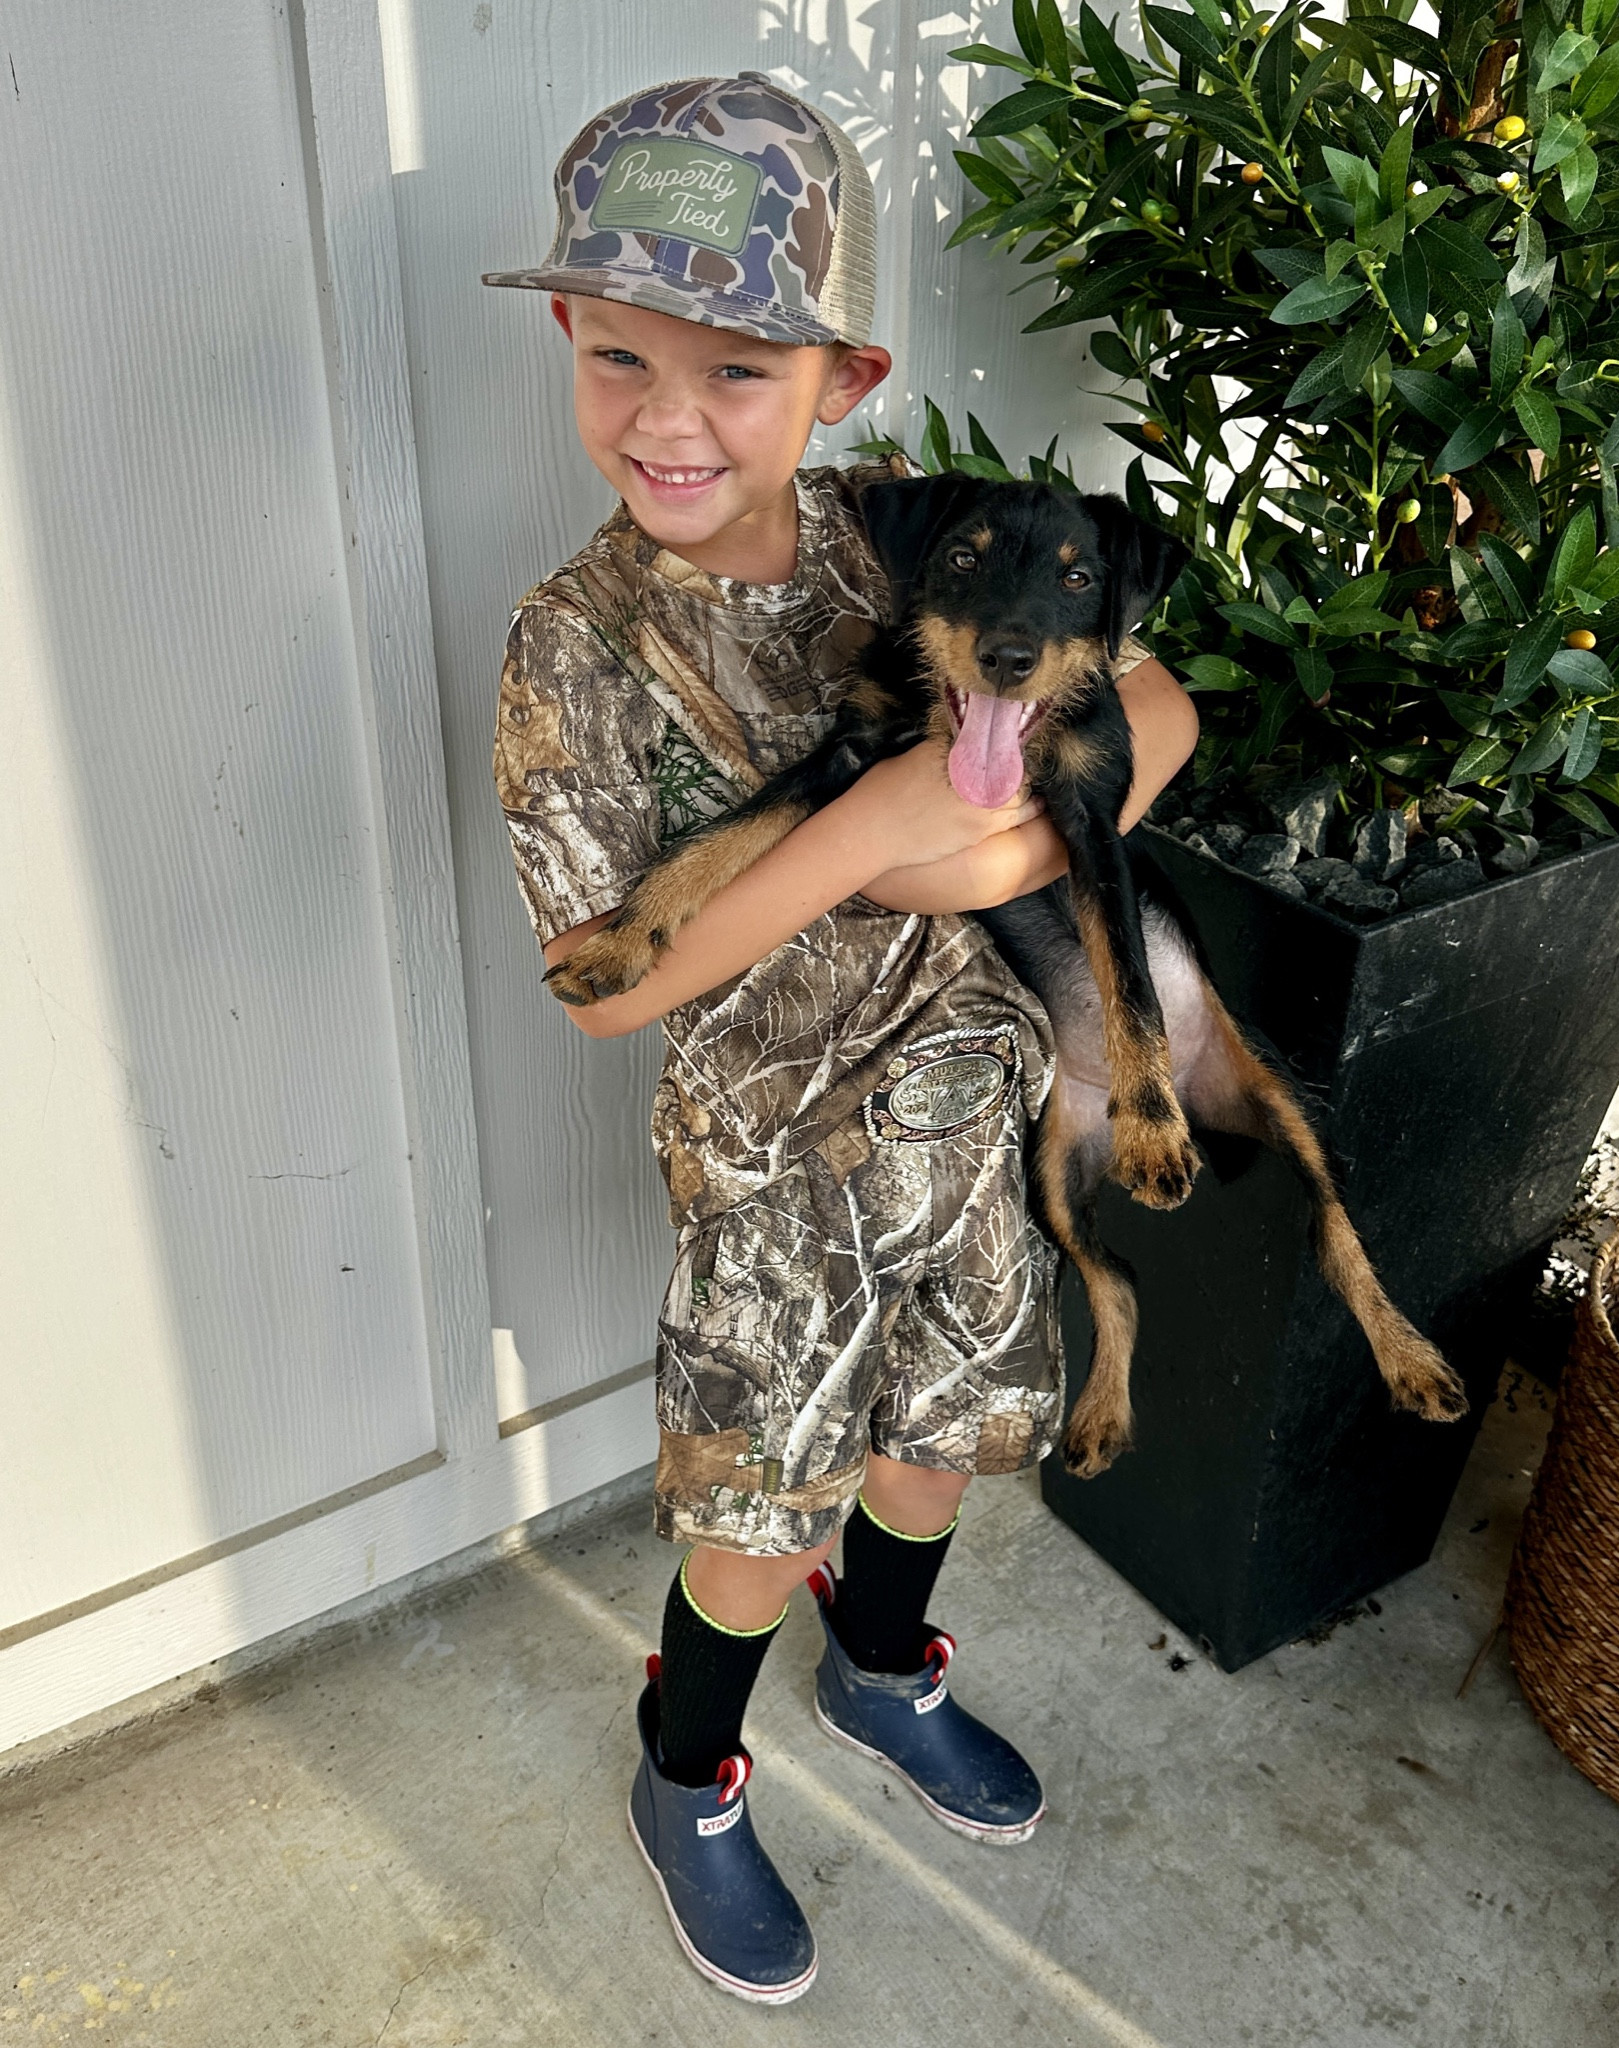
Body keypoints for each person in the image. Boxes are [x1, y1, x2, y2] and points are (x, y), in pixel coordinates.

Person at [484, 73, 1198, 2005]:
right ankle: (685, 1769)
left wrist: (1050, 825)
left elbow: (1153, 697)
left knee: (948, 1436)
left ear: (844, 378)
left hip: (974, 1113)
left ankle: (882, 1667)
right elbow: (600, 981)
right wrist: (873, 845)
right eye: (619, 354)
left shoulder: (921, 546)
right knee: (752, 1500)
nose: (667, 416)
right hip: (769, 1158)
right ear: (567, 339)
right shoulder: (572, 649)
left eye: (737, 370)